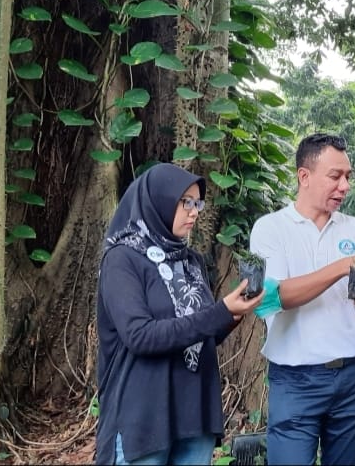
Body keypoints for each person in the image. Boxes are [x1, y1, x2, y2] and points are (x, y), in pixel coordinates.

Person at [95, 163, 263, 465]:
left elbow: (197, 333)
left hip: (193, 410)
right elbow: (139, 336)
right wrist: (219, 313)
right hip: (144, 416)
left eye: (197, 202)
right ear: (158, 201)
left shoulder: (190, 261)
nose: (194, 211)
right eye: (185, 202)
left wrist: (231, 315)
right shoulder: (123, 259)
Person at [249, 133, 355, 465]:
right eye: (335, 176)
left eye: (348, 177)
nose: (344, 186)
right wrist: (342, 266)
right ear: (304, 176)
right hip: (294, 379)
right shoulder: (271, 229)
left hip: (353, 376)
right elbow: (275, 297)